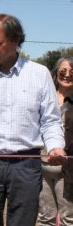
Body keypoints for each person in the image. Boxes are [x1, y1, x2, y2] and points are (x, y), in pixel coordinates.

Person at [0, 13, 67, 226]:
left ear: (16, 41)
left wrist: (56, 146)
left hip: (27, 165)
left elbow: (50, 120)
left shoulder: (39, 74)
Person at [38, 57, 73, 226]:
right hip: (43, 167)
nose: (67, 75)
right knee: (46, 218)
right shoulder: (45, 97)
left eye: (72, 72)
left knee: (69, 219)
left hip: (69, 171)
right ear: (56, 73)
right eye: (62, 71)